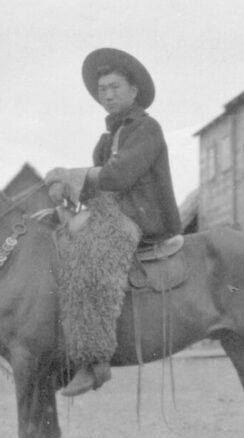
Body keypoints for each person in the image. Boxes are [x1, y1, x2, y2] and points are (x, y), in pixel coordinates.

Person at [45, 48, 181, 397]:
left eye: (115, 87)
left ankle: (95, 361)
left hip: (143, 216)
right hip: (114, 211)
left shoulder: (146, 128)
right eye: (102, 89)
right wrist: (69, 196)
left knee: (90, 256)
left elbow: (120, 175)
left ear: (134, 91)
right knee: (60, 238)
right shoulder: (107, 138)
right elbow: (99, 186)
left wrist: (74, 175)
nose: (107, 94)